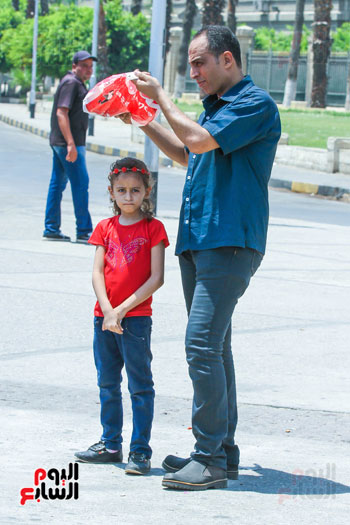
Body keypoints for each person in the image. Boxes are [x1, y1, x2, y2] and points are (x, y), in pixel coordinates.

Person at [120, 25, 281, 490]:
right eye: (190, 65)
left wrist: (163, 96)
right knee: (216, 348)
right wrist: (142, 117)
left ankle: (208, 459)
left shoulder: (254, 104)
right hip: (201, 242)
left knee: (201, 347)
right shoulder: (216, 112)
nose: (194, 73)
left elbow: (197, 141)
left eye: (199, 63)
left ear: (227, 59)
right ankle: (224, 453)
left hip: (229, 243)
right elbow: (187, 155)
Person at [74, 157, 169, 475]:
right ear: (112, 192)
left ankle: (140, 451)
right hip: (104, 319)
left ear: (147, 192)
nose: (128, 197)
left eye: (135, 190)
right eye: (122, 190)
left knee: (140, 386)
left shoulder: (154, 229)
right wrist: (107, 311)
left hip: (136, 320)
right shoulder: (104, 228)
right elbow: (97, 273)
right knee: (107, 383)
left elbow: (156, 278)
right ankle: (111, 444)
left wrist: (122, 310)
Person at [43, 50, 97, 243]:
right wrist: (71, 144)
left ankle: (51, 228)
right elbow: (61, 113)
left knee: (57, 185)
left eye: (91, 66)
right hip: (68, 144)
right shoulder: (71, 82)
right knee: (81, 184)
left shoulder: (76, 83)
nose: (88, 70)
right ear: (75, 66)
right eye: (84, 65)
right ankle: (84, 230)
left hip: (63, 143)